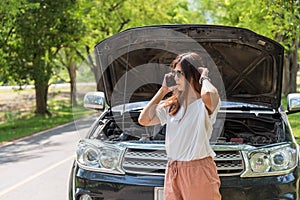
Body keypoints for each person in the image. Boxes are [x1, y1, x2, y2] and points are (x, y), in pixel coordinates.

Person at [138, 52, 222, 200]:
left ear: (192, 75)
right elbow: (144, 119)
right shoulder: (173, 105)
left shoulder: (204, 104)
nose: (175, 77)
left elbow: (208, 93)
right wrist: (163, 90)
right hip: (173, 169)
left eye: (180, 73)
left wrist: (204, 76)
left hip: (198, 170)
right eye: (174, 73)